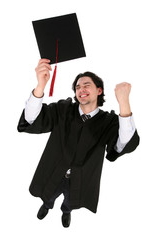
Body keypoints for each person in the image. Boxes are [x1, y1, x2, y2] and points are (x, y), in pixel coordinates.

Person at [17, 58, 140, 228]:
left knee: (70, 201)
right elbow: (31, 119)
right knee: (49, 195)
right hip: (54, 170)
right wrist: (40, 86)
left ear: (99, 90)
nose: (81, 89)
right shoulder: (63, 110)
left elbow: (123, 143)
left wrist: (124, 103)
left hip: (81, 177)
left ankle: (66, 212)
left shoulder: (108, 122)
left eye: (86, 85)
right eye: (78, 87)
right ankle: (47, 206)